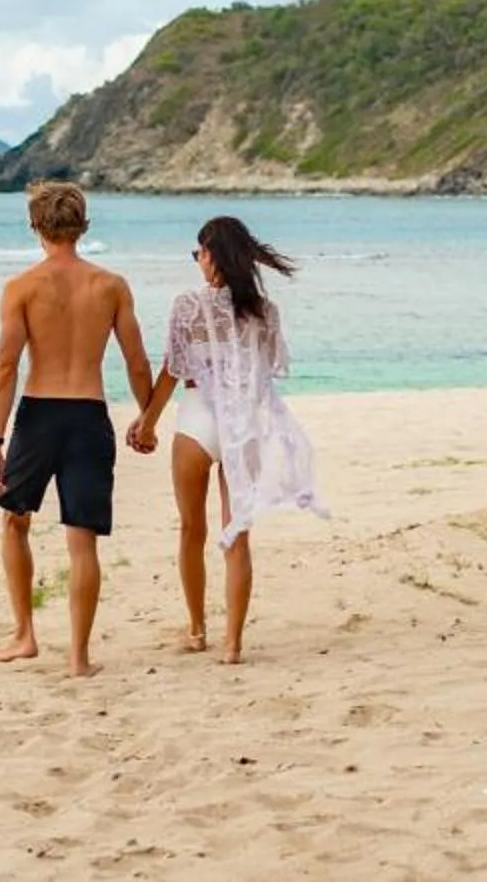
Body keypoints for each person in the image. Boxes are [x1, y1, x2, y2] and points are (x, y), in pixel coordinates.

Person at [126, 214, 326, 664]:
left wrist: (147, 422)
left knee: (190, 530)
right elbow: (265, 372)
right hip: (244, 426)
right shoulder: (265, 312)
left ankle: (197, 631)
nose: (197, 260)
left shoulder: (187, 305)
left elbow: (173, 370)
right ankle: (233, 645)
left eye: (198, 252)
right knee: (238, 537)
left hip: (197, 420)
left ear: (211, 255)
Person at [0, 181, 151, 678]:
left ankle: (25, 634)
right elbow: (137, 362)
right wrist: (147, 417)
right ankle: (79, 658)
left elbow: (4, 368)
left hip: (39, 416)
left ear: (36, 226)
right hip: (88, 417)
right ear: (82, 225)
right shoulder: (111, 285)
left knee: (15, 521)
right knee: (83, 542)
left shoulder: (22, 287)